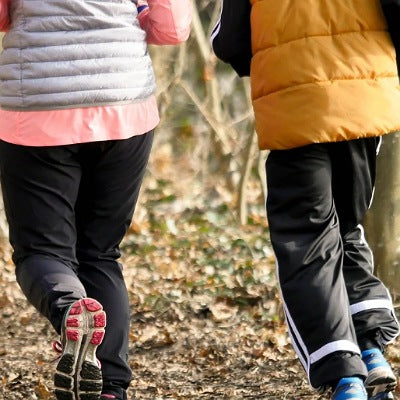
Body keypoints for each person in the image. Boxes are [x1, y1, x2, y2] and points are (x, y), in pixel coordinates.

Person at [0, 0, 191, 399]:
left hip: (38, 103)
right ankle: (111, 387)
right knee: (101, 252)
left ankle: (71, 308)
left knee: (41, 251)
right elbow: (172, 27)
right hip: (122, 101)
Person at [212, 1, 400, 399]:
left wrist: (272, 55)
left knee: (308, 242)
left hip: (294, 104)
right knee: (347, 228)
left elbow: (228, 40)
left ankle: (344, 377)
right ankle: (371, 350)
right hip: (365, 97)